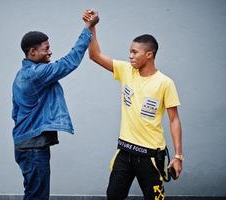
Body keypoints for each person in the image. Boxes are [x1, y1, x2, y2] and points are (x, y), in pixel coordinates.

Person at [83, 10, 183, 200]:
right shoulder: (126, 71)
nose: (130, 56)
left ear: (149, 55)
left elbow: (174, 119)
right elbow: (95, 55)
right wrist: (93, 27)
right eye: (130, 51)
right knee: (113, 196)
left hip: (151, 156)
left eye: (134, 52)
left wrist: (178, 156)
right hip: (125, 151)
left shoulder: (165, 83)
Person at [11, 10, 99, 200]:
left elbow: (15, 112)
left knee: (33, 193)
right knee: (38, 197)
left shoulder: (20, 76)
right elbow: (70, 61)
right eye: (46, 48)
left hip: (25, 144)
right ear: (32, 52)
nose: (50, 51)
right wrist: (88, 28)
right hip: (33, 147)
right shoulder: (37, 73)